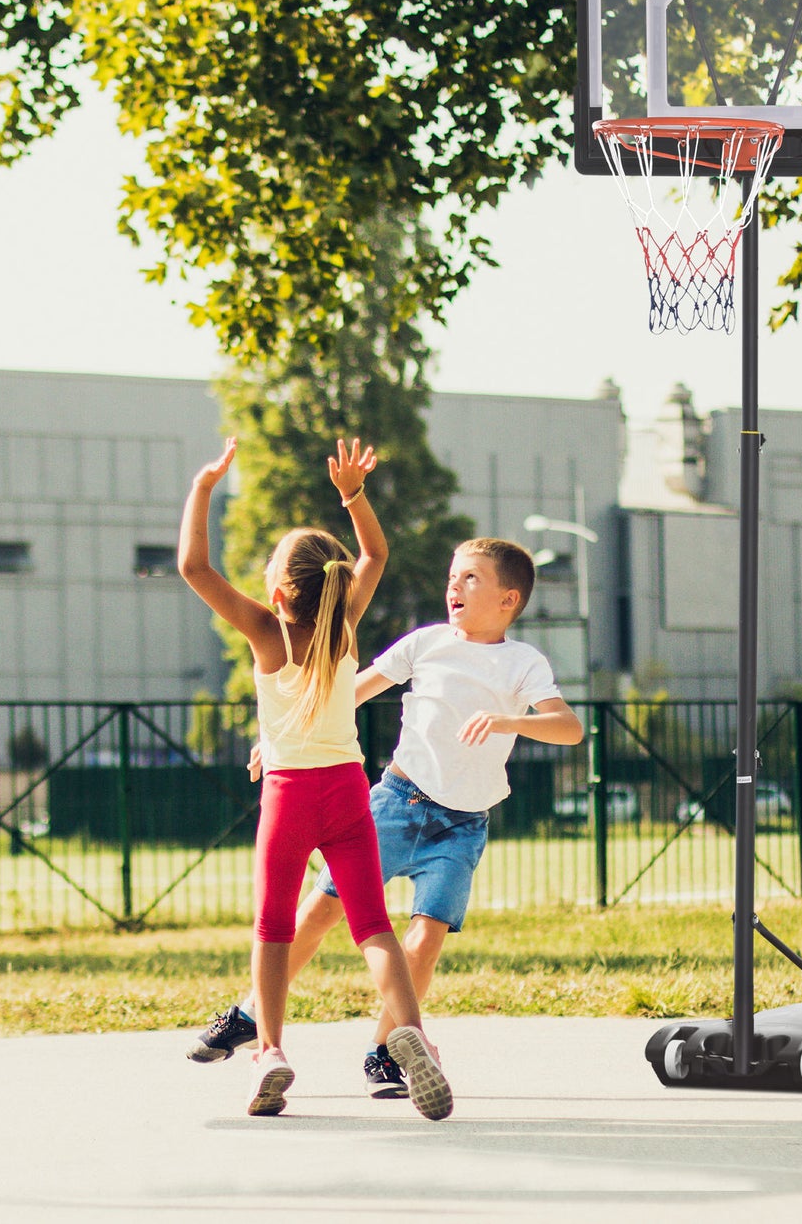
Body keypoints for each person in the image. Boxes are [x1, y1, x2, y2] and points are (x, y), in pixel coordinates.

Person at [188, 537, 582, 1098]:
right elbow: (345, 690)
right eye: (452, 576)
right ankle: (251, 1012)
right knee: (323, 913)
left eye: (471, 578)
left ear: (509, 599)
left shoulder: (524, 663)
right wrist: (279, 735)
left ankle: (386, 1049)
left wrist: (510, 721)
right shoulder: (426, 643)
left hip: (463, 824)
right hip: (398, 802)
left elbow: (569, 728)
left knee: (426, 935)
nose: (454, 586)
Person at [178, 436, 451, 1120]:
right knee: (374, 928)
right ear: (331, 585)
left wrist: (204, 486)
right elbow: (376, 555)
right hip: (347, 792)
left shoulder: (266, 631)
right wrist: (353, 493)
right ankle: (409, 1032)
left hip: (290, 796)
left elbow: (192, 565)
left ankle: (269, 1050)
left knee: (273, 928)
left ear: (277, 591)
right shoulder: (344, 627)